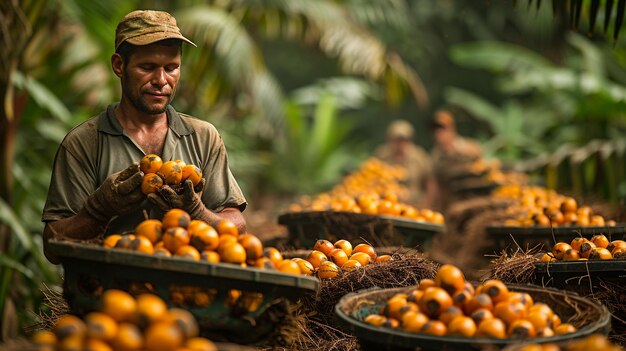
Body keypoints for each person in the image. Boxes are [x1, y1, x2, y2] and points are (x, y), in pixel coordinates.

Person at [41, 10, 247, 263]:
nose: (161, 80)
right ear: (119, 65)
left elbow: (237, 226)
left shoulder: (203, 137)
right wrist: (98, 210)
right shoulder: (84, 143)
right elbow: (52, 245)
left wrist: (196, 211)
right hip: (110, 293)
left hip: (187, 289)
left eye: (171, 68)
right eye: (147, 67)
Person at [374, 119, 436, 207]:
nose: (400, 143)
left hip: (413, 205)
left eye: (404, 139)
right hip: (386, 205)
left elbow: (430, 183)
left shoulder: (419, 157)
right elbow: (372, 179)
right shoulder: (382, 155)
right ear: (390, 139)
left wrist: (426, 205)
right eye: (397, 139)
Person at [430, 109, 483, 210]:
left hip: (471, 199)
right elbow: (434, 186)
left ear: (451, 129)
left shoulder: (466, 147)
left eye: (443, 128)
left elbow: (480, 159)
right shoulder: (436, 156)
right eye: (436, 129)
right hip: (451, 202)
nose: (439, 133)